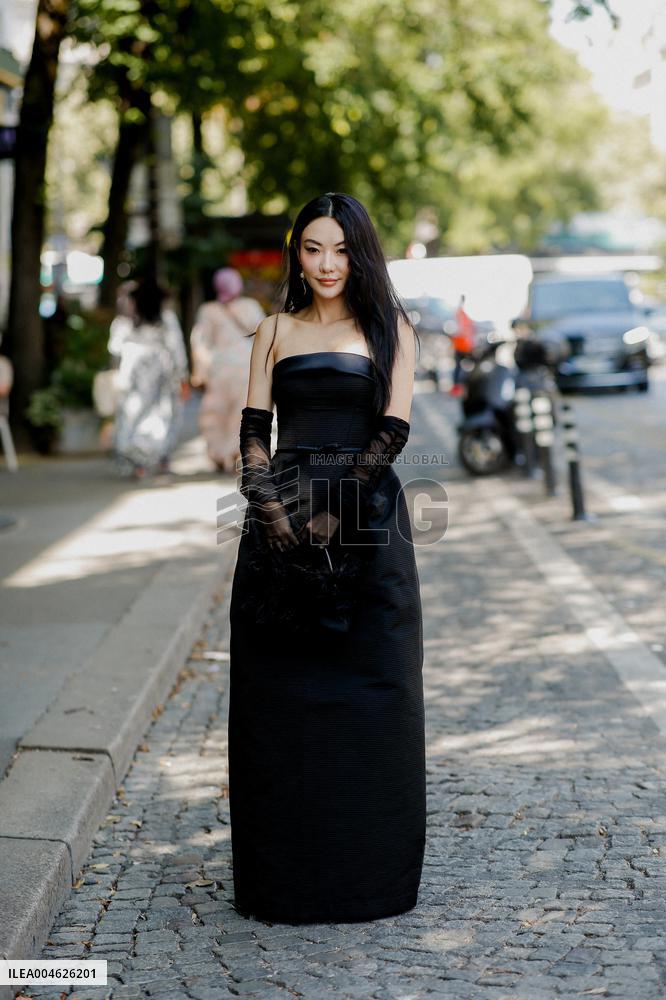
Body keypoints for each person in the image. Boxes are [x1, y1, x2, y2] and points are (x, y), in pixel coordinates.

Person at [227, 192, 426, 924]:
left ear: (360, 253)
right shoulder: (273, 330)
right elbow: (254, 432)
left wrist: (334, 512)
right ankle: (283, 882)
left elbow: (392, 431)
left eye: (340, 249)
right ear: (297, 255)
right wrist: (273, 515)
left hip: (367, 522)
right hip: (276, 525)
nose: (327, 264)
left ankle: (370, 881)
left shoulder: (391, 329)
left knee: (375, 699)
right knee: (277, 704)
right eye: (313, 249)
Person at [108, 276, 189, 478]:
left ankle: (135, 459)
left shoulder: (124, 322)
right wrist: (182, 374)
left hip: (131, 370)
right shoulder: (166, 319)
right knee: (162, 414)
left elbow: (114, 349)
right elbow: (176, 348)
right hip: (160, 370)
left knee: (131, 413)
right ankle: (158, 456)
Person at [190, 268, 266, 472]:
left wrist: (199, 372)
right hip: (246, 368)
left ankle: (218, 453)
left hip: (218, 369)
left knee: (216, 413)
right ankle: (235, 452)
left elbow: (200, 342)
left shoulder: (208, 310)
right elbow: (263, 336)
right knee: (241, 413)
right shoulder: (251, 306)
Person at [450, 293, 475, 395]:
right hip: (461, 345)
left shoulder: (462, 314)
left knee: (460, 368)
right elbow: (459, 329)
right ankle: (457, 388)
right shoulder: (461, 314)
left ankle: (458, 388)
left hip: (464, 346)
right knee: (460, 368)